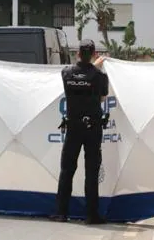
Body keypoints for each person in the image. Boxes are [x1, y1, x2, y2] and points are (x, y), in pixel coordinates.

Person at [51, 39, 109, 225]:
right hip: (92, 129)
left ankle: (61, 212)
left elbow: (79, 74)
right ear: (93, 54)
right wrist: (94, 68)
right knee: (91, 172)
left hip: (73, 128)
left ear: (77, 54)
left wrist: (89, 68)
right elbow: (101, 98)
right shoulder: (100, 76)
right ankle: (91, 215)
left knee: (67, 170)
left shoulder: (66, 73)